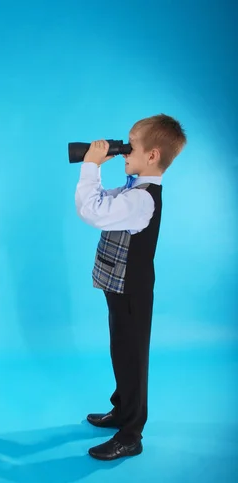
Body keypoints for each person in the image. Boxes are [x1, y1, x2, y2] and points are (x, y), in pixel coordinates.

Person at [75, 114, 187, 461]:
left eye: (130, 146)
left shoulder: (142, 199)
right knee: (121, 350)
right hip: (119, 287)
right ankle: (122, 408)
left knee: (133, 356)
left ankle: (131, 432)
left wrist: (90, 167)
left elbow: (92, 211)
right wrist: (103, 163)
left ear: (152, 155)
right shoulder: (133, 189)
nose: (125, 151)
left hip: (132, 290)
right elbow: (105, 201)